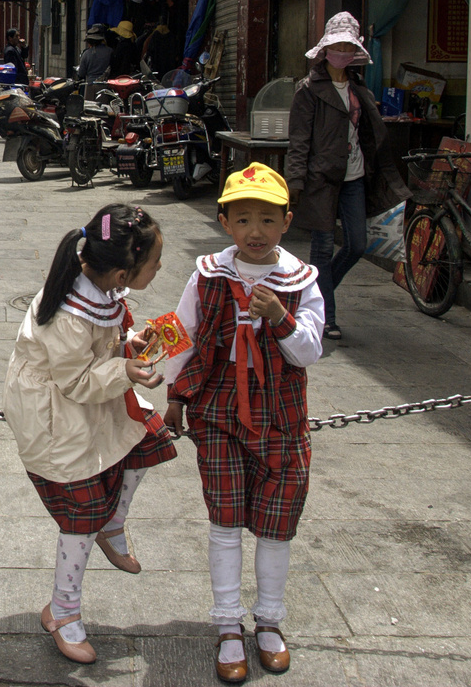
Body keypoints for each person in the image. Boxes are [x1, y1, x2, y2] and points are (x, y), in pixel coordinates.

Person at [161, 163, 324, 683]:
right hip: (217, 412)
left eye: (268, 220)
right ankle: (228, 623)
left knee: (278, 522)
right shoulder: (207, 274)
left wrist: (281, 317)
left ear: (287, 223)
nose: (256, 232)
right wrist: (168, 392)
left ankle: (270, 622)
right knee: (225, 520)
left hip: (282, 416)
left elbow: (309, 353)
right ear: (225, 223)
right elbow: (182, 331)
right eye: (244, 219)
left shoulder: (301, 282)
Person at [3, 203, 173, 665]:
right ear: (122, 273)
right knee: (79, 519)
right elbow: (76, 379)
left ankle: (112, 524)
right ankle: (64, 611)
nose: (160, 270)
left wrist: (126, 348)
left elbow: (97, 352)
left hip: (84, 403)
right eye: (154, 264)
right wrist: (127, 370)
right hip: (55, 421)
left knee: (149, 437)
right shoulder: (71, 312)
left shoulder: (97, 289)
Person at [284, 12, 408, 339]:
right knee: (322, 250)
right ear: (326, 49)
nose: (341, 50)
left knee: (357, 244)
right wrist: (294, 181)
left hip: (354, 177)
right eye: (337, 44)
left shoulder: (358, 89)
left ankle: (314, 296)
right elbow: (299, 140)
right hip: (320, 178)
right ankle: (328, 318)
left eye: (347, 45)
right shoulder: (308, 90)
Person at [74, 25, 113, 100]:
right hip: (105, 86)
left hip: (90, 86)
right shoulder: (109, 51)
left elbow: (81, 73)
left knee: (90, 108)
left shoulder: (86, 54)